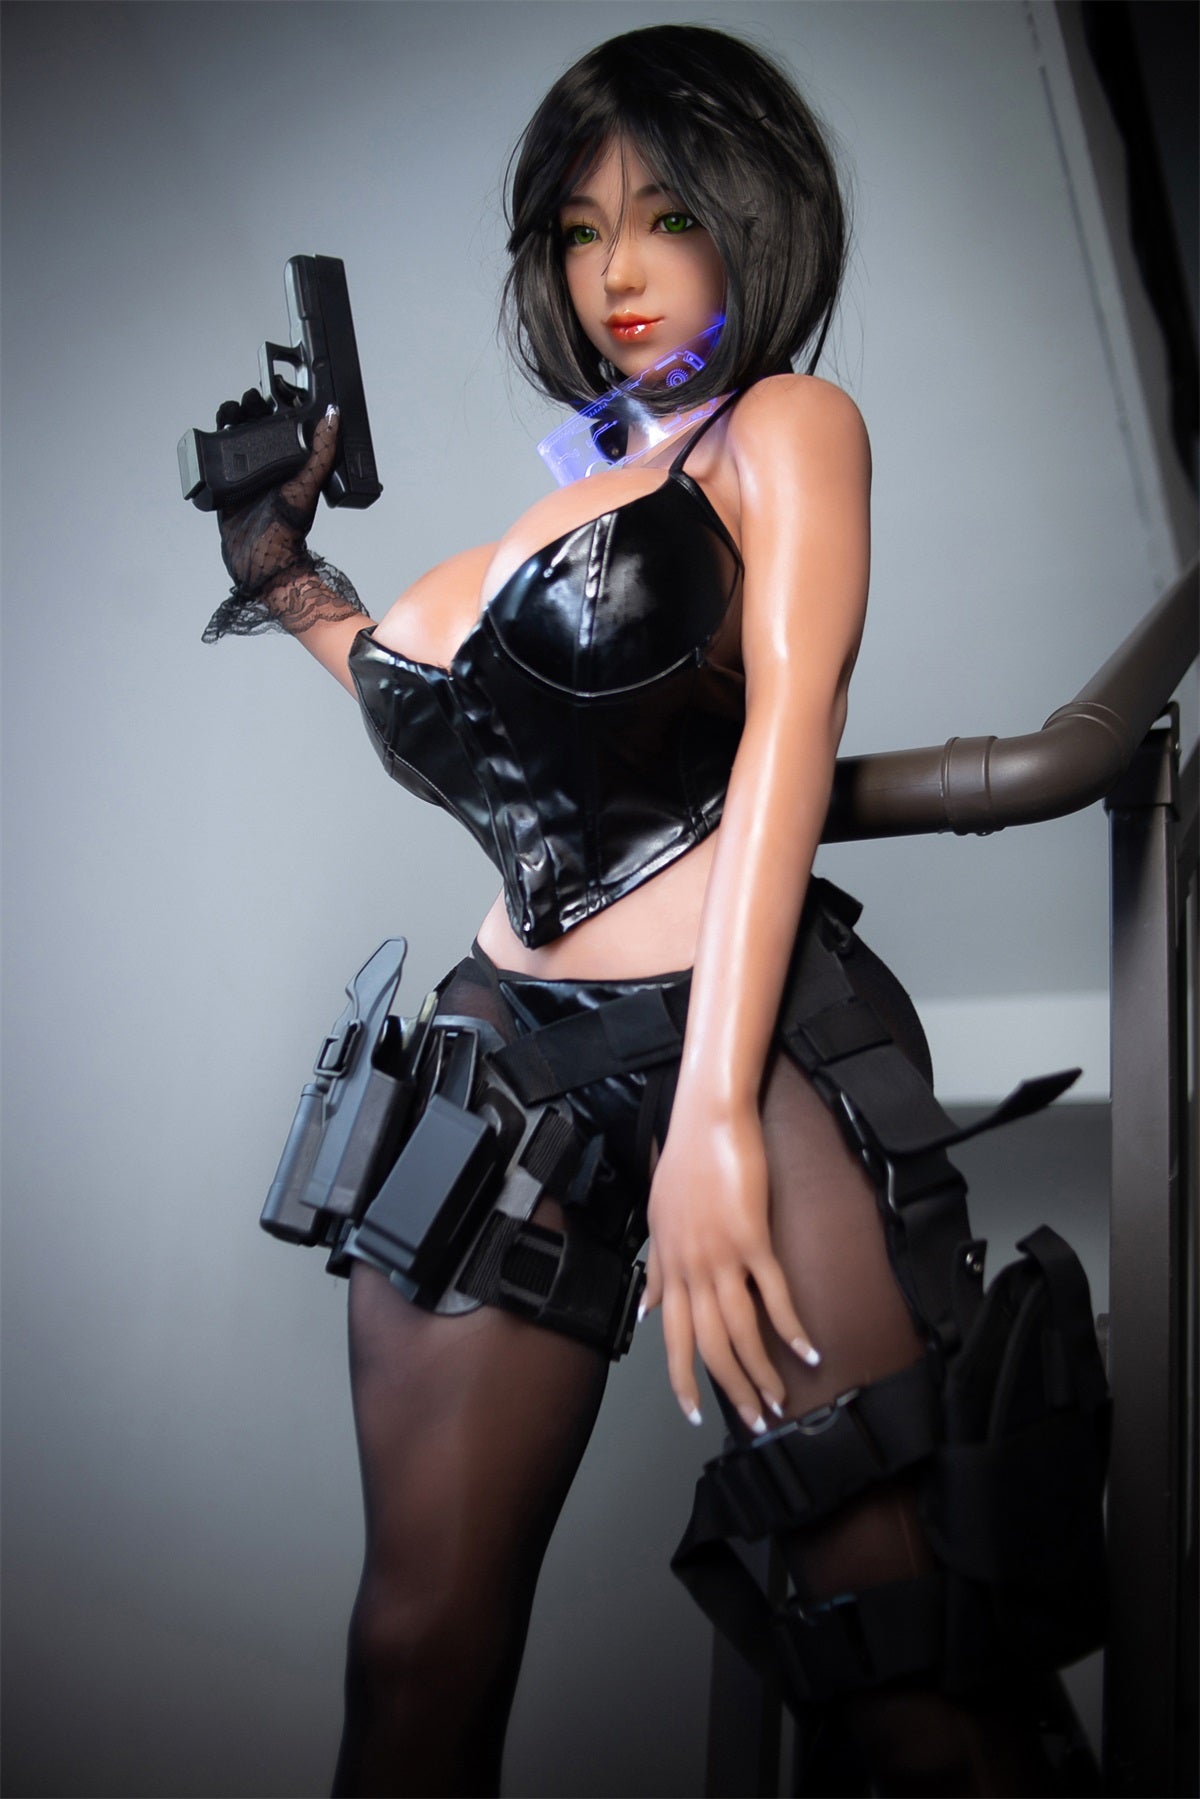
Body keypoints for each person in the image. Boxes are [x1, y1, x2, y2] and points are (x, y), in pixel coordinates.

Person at [204, 24, 1103, 1797]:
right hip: (497, 1066)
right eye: (577, 229)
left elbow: (788, 741)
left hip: (735, 1033)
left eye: (665, 214)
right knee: (411, 1658)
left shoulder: (788, 428)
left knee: (907, 1673)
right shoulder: (575, 493)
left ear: (749, 214)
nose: (615, 268)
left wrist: (714, 1116)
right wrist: (282, 570)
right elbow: (450, 716)